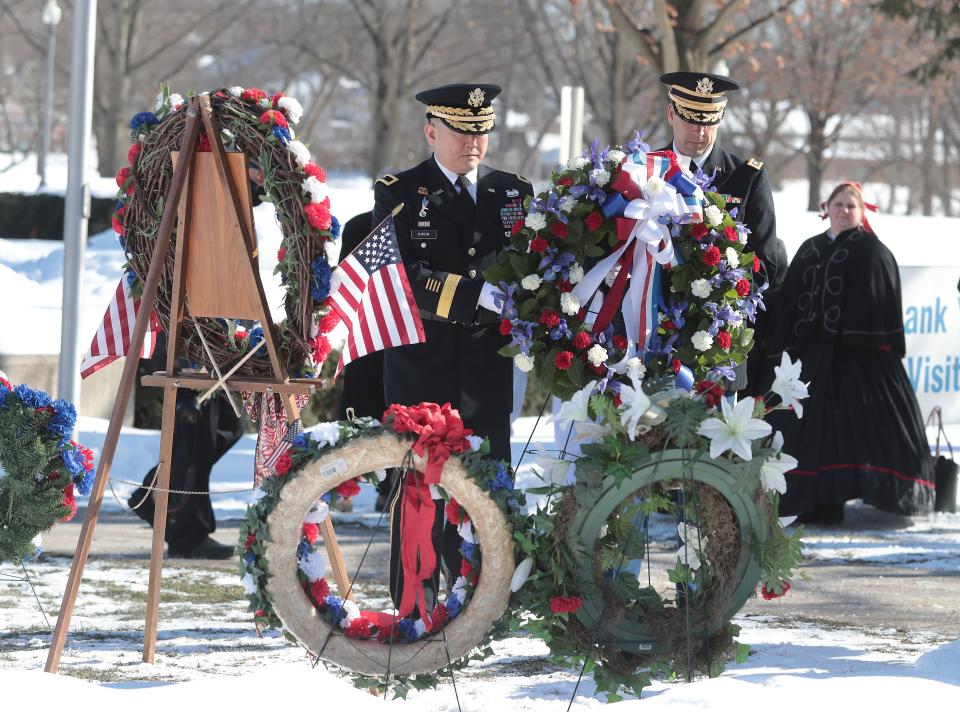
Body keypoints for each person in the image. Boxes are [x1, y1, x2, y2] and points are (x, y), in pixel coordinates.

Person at [373, 83, 533, 611]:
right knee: (419, 493)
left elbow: (533, 266)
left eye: (481, 130)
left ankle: (485, 604)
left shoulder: (511, 192)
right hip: (424, 366)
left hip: (486, 369)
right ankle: (414, 604)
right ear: (431, 132)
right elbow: (396, 274)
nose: (473, 141)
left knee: (486, 491)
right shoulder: (398, 191)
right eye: (462, 130)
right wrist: (471, 293)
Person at [766, 182, 935, 525]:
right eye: (839, 204)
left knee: (853, 432)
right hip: (808, 359)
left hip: (859, 358)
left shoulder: (872, 250)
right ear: (826, 208)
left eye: (851, 206)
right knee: (803, 430)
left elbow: (880, 302)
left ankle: (841, 500)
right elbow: (789, 301)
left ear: (862, 212)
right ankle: (809, 503)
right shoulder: (810, 248)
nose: (844, 211)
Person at [658, 71, 788, 393]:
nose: (699, 132)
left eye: (708, 122)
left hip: (718, 343)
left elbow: (766, 262)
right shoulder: (646, 168)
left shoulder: (746, 178)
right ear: (672, 113)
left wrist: (719, 291)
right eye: (690, 120)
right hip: (655, 336)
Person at [129, 333, 244, 558]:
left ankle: (149, 495)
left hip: (213, 353)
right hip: (186, 354)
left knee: (228, 426)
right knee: (194, 450)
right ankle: (188, 538)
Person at [335, 210, 394, 511]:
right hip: (372, 331)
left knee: (369, 411)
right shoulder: (359, 226)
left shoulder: (359, 223)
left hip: (376, 333)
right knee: (363, 412)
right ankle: (348, 487)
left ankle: (362, 488)